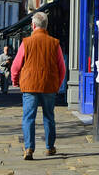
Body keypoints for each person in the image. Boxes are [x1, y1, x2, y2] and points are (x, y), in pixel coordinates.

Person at [10, 12, 66, 160]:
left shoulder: (26, 42)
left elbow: (15, 66)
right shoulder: (54, 43)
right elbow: (62, 68)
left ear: (33, 25)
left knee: (28, 117)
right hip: (49, 85)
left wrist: (15, 81)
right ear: (45, 26)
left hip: (30, 85)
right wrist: (57, 84)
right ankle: (50, 147)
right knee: (49, 117)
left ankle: (29, 148)